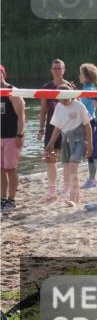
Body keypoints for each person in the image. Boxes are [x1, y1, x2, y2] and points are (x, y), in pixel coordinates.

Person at [45, 94, 93, 206]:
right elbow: (57, 127)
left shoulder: (79, 106)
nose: (64, 102)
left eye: (66, 99)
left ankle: (73, 197)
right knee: (70, 168)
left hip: (79, 140)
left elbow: (88, 126)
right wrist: (50, 143)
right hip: (66, 141)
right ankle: (76, 198)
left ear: (70, 96)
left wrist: (90, 145)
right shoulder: (58, 106)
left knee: (73, 165)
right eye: (61, 100)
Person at [37, 59, 74, 202]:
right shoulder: (47, 87)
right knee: (50, 158)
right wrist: (40, 129)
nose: (57, 71)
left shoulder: (70, 87)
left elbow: (76, 108)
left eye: (60, 68)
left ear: (64, 70)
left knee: (66, 160)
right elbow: (43, 110)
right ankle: (51, 191)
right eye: (55, 68)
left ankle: (66, 190)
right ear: (51, 70)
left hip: (67, 127)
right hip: (52, 126)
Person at [0, 65, 25, 212]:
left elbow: (21, 115)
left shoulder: (12, 91)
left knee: (10, 169)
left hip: (11, 136)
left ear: (4, 74)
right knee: (1, 170)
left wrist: (20, 134)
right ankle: (2, 199)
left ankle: (11, 199)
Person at [78, 63, 97, 189]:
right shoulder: (87, 88)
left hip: (89, 122)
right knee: (87, 151)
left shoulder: (90, 90)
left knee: (90, 152)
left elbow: (80, 102)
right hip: (86, 122)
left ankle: (92, 179)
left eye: (81, 73)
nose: (79, 76)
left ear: (87, 76)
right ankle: (91, 178)